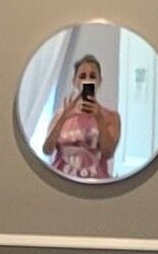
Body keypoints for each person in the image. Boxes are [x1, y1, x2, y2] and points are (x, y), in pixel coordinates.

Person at [42, 53, 121, 181]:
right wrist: (63, 118)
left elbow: (108, 153)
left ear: (99, 80)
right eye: (82, 76)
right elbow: (47, 150)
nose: (87, 80)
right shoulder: (61, 115)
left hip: (95, 185)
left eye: (93, 76)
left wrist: (99, 118)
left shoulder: (110, 117)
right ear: (75, 81)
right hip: (60, 183)